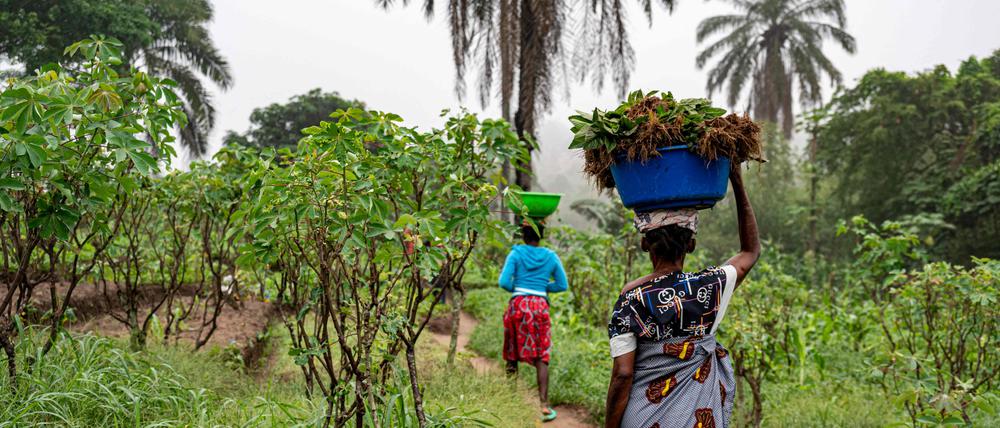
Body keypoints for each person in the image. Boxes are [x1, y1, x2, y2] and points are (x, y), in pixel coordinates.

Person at [604, 164, 760, 428]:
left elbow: (622, 374)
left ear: (644, 244)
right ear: (691, 244)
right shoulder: (711, 288)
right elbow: (750, 251)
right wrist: (737, 181)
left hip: (641, 419)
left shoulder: (631, 300)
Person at [498, 221, 569, 423]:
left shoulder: (516, 254)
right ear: (541, 236)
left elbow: (503, 282)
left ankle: (509, 400)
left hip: (518, 304)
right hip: (539, 307)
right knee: (541, 356)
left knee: (511, 352)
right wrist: (542, 289)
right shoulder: (551, 256)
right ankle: (544, 406)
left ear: (523, 235)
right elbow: (562, 285)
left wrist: (520, 288)